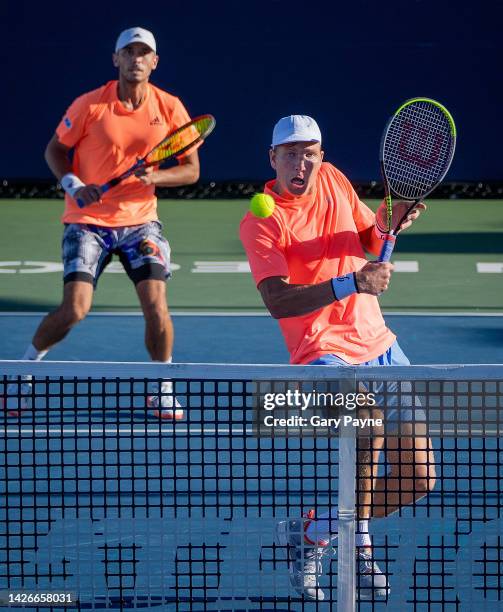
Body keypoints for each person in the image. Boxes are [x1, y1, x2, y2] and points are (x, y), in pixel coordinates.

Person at [240, 115, 436, 601]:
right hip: (321, 352)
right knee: (365, 425)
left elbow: (369, 238)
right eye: (290, 154)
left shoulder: (333, 179)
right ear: (273, 160)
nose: (301, 162)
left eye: (310, 153)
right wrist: (351, 282)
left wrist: (388, 223)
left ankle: (313, 531)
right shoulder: (261, 219)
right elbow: (277, 300)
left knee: (418, 479)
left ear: (321, 157)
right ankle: (360, 547)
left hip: (380, 345)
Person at [4, 27, 201, 420]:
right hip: (87, 220)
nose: (136, 59)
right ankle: (22, 372)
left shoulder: (170, 107)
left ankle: (161, 389)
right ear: (116, 59)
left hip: (141, 221)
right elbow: (55, 149)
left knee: (156, 305)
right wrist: (75, 184)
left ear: (155, 61)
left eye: (144, 53)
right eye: (129, 52)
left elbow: (191, 171)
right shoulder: (90, 104)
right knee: (74, 309)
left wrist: (155, 177)